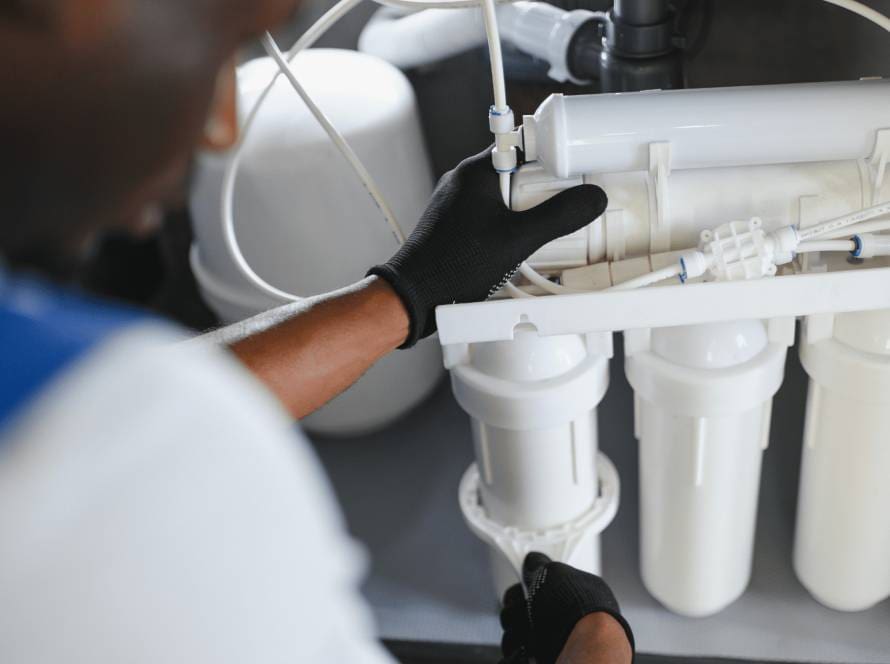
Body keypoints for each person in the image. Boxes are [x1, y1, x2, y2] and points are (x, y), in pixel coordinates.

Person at [0, 1, 634, 662]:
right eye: (221, 46)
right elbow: (133, 425)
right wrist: (600, 645)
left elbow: (118, 407)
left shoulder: (104, 420)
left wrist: (407, 292)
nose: (220, 128)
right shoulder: (128, 488)